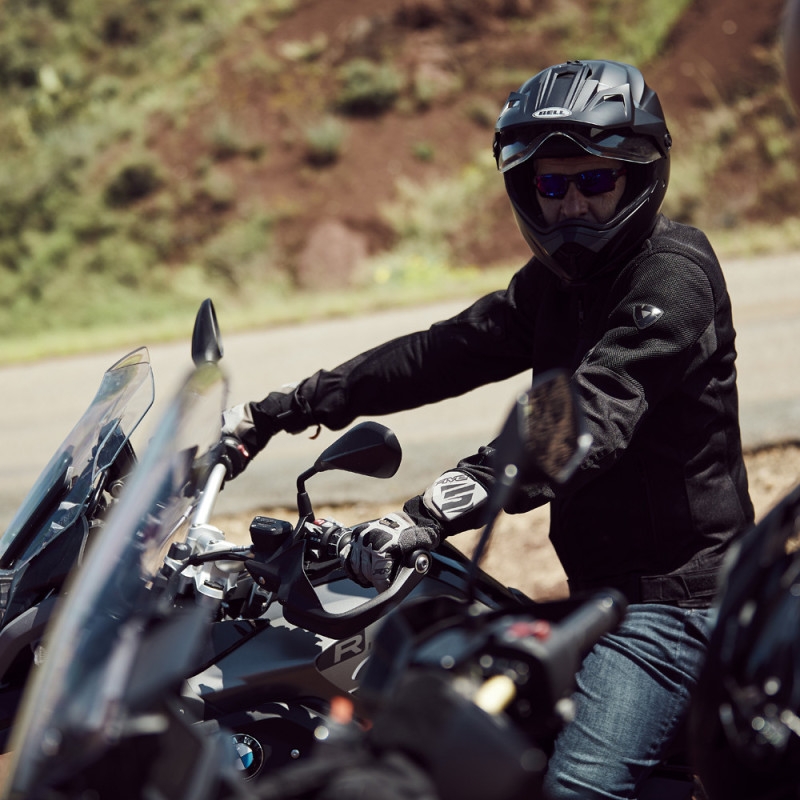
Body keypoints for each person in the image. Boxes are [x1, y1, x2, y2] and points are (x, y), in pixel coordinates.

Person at [221, 59, 754, 799]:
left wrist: (436, 505)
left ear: (639, 176)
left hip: (677, 604)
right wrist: (286, 408)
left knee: (575, 790)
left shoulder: (673, 273)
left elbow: (594, 406)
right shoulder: (557, 286)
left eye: (594, 181)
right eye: (551, 186)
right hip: (599, 595)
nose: (572, 204)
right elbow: (439, 353)